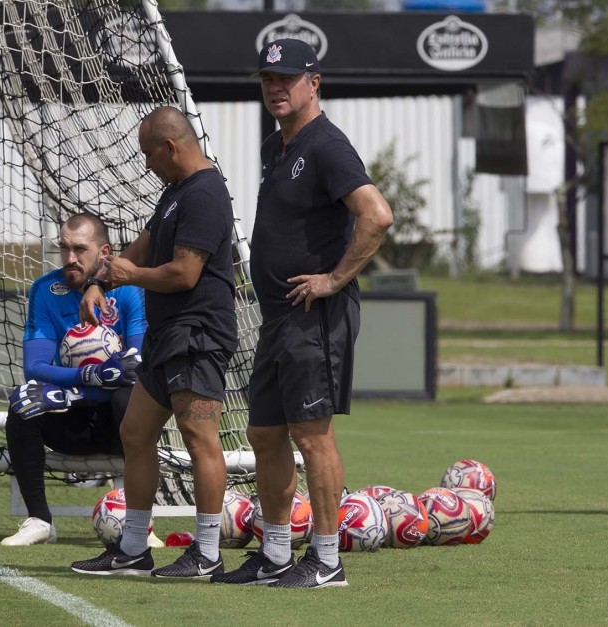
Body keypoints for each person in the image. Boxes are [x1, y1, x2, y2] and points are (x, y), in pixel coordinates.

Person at [212, 39, 394, 588]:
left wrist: (335, 278)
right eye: (268, 78)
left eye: (287, 78)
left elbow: (377, 216)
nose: (275, 88)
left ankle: (327, 560)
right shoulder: (278, 144)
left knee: (313, 436)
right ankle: (273, 554)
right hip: (278, 319)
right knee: (264, 435)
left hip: (315, 317)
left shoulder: (326, 145)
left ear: (315, 83)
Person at [69, 106, 238, 578]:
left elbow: (185, 273)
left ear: (171, 147)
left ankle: (206, 553)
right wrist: (99, 282)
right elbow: (140, 249)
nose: (146, 163)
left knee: (199, 438)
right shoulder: (176, 193)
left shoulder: (205, 193)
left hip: (197, 335)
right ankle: (133, 548)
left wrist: (131, 275)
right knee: (135, 432)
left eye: (149, 153)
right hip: (168, 336)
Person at [2, 212, 149, 547]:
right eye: (64, 248)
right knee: (23, 403)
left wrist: (105, 378)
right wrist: (88, 376)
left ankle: (138, 519)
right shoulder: (45, 290)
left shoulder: (128, 290)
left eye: (80, 249)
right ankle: (39, 520)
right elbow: (35, 366)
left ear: (104, 252)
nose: (70, 258)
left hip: (119, 422)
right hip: (74, 417)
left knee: (130, 398)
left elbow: (137, 364)